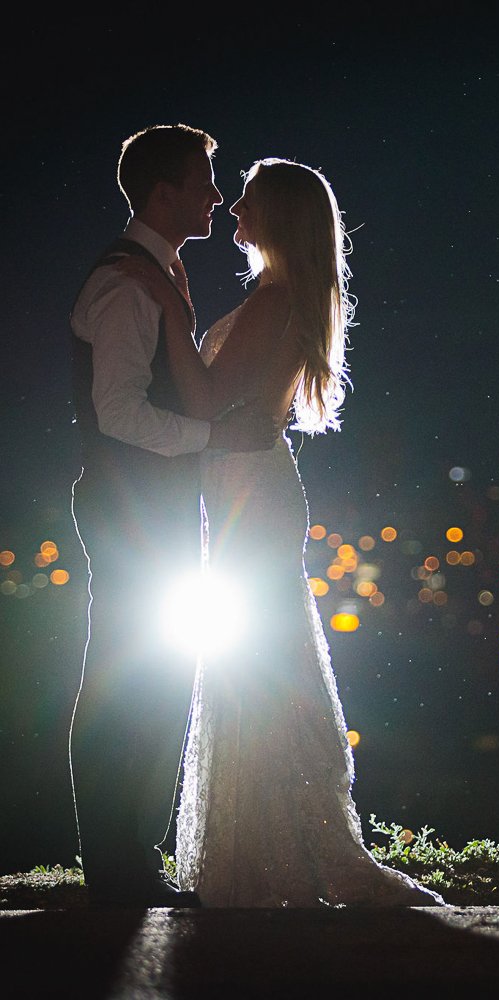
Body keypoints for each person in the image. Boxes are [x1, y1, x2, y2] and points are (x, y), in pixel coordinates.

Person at [122, 157, 444, 907]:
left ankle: (279, 854)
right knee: (258, 668)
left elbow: (204, 397)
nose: (232, 209)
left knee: (258, 671)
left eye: (248, 201)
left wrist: (171, 314)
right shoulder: (277, 296)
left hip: (249, 492)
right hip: (248, 486)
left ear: (279, 219)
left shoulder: (272, 303)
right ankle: (267, 850)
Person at [69, 124, 278, 908]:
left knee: (150, 679)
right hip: (131, 507)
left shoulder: (158, 271)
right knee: (128, 682)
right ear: (163, 193)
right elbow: (118, 412)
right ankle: (118, 867)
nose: (216, 199)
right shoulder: (126, 284)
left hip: (148, 505)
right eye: (202, 185)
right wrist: (213, 436)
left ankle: (127, 860)